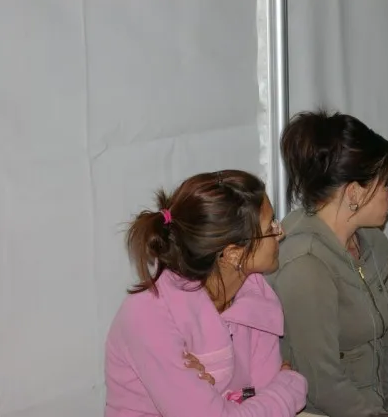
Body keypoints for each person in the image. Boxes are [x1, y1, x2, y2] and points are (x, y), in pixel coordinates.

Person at [105, 170, 307, 417]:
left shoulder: (255, 296)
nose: (280, 232)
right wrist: (291, 387)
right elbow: (269, 396)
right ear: (233, 254)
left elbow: (262, 396)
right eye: (270, 226)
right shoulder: (148, 315)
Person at [268, 111, 388, 417]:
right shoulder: (304, 266)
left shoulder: (374, 245)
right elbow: (322, 386)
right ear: (354, 192)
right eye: (385, 184)